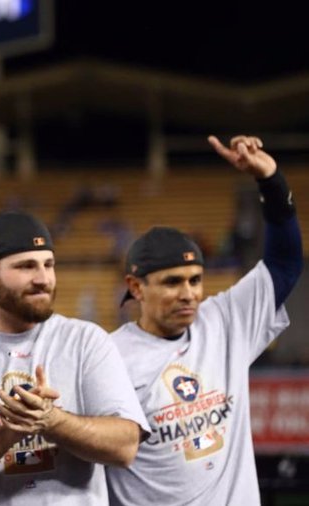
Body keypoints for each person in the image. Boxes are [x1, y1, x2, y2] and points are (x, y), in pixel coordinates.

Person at [106, 135, 303, 506]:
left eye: (195, 280)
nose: (189, 293)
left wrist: (271, 180)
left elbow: (285, 264)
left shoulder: (224, 321)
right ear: (136, 287)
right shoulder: (108, 356)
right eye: (172, 282)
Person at [0, 211, 149, 505]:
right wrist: (8, 433)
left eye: (49, 265)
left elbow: (125, 446)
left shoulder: (86, 340)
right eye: (26, 266)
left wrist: (51, 420)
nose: (43, 278)